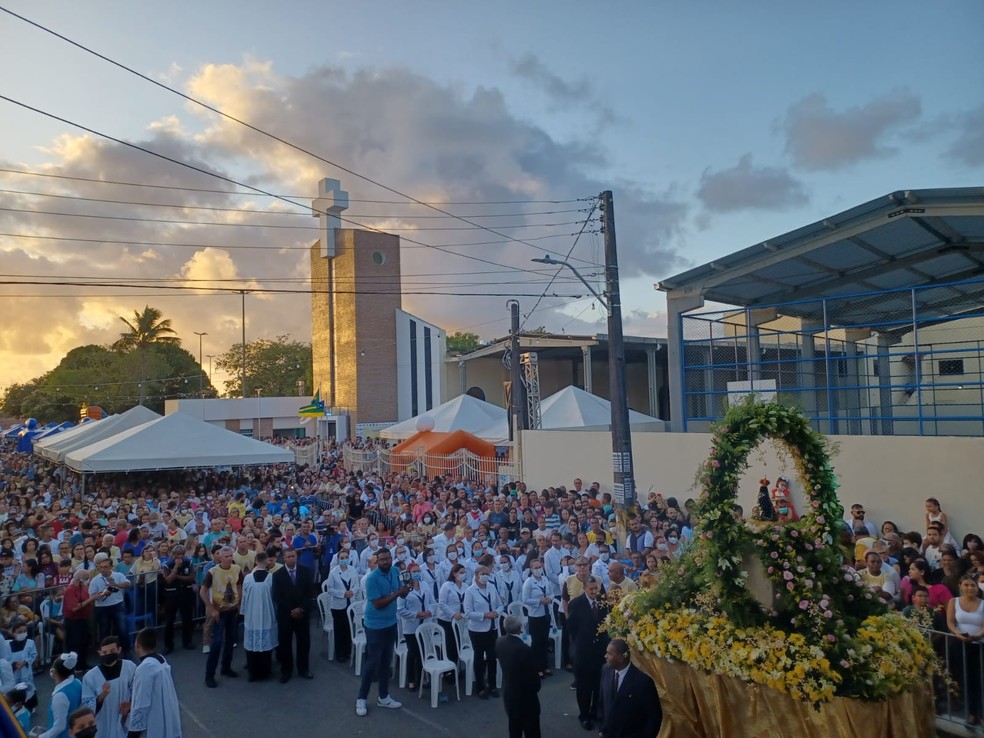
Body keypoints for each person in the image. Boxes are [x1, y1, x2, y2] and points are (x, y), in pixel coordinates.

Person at [355, 546, 408, 717]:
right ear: (377, 561)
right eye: (382, 559)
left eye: (388, 559)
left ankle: (383, 696)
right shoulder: (372, 578)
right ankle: (361, 698)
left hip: (391, 622)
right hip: (375, 625)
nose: (386, 562)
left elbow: (400, 591)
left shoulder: (394, 571)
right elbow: (378, 604)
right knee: (373, 662)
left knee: (386, 661)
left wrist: (405, 590)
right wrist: (398, 593)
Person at [567, 576, 609, 730]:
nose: (594, 592)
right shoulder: (576, 604)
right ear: (584, 588)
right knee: (584, 688)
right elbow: (571, 627)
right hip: (583, 652)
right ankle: (584, 715)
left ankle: (595, 712)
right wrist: (579, 645)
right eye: (591, 589)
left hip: (600, 652)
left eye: (596, 588)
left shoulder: (603, 603)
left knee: (598, 685)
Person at [597, 638, 662, 738]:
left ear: (621, 657)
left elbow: (654, 717)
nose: (605, 656)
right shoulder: (605, 670)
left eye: (609, 654)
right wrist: (601, 729)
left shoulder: (643, 682)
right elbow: (602, 702)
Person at [199, 546, 242, 688]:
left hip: (232, 609)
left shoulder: (236, 569)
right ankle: (209, 675)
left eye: (231, 556)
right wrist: (212, 609)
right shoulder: (213, 572)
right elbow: (203, 591)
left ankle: (226, 667)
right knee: (217, 643)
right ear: (220, 558)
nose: (229, 558)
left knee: (230, 640)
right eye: (226, 556)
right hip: (219, 610)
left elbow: (239, 585)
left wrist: (239, 602)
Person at [126, 628, 182, 738]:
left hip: (155, 723)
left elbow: (141, 703)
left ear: (137, 645)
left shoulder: (145, 668)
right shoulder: (161, 659)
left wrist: (132, 734)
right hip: (167, 716)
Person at [946, 575, 984, 729]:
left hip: (979, 645)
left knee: (980, 680)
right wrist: (957, 633)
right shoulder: (953, 601)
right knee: (966, 679)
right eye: (966, 585)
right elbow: (950, 622)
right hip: (960, 645)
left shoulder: (982, 604)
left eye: (973, 585)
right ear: (960, 586)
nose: (970, 588)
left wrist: (979, 635)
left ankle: (981, 713)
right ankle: (971, 713)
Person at [271, 548, 313, 683]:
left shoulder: (305, 571)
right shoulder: (277, 575)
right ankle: (286, 671)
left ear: (296, 557)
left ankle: (303, 669)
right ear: (283, 558)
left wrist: (301, 609)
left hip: (302, 614)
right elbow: (277, 597)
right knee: (285, 644)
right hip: (286, 615)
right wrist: (292, 610)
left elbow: (309, 593)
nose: (291, 559)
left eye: (293, 556)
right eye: (288, 557)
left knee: (304, 643)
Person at [496, 614, 541, 738]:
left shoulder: (500, 642)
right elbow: (534, 682)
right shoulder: (524, 649)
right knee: (532, 732)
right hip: (526, 701)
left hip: (510, 696)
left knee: (514, 731)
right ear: (519, 628)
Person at [81, 637, 136, 738]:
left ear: (119, 650)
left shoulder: (129, 667)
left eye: (112, 651)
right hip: (103, 724)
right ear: (100, 653)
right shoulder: (90, 677)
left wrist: (130, 704)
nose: (108, 655)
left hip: (124, 718)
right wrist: (103, 695)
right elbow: (87, 707)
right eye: (105, 652)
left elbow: (137, 691)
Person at [465, 564, 503, 699]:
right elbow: (468, 613)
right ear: (476, 575)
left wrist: (496, 613)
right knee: (479, 658)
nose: (485, 576)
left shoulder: (491, 587)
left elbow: (499, 605)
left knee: (492, 658)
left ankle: (492, 685)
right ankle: (480, 687)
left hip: (492, 627)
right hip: (477, 629)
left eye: (487, 574)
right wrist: (484, 615)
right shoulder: (470, 591)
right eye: (482, 574)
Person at [241, 551, 278, 682]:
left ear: (256, 561)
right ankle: (265, 671)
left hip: (251, 615)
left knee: (251, 646)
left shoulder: (248, 578)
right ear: (267, 561)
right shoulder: (271, 578)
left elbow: (244, 598)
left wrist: (243, 612)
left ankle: (253, 672)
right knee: (266, 646)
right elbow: (275, 598)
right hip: (267, 613)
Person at [88, 555, 133, 658]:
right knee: (105, 631)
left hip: (118, 605)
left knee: (123, 628)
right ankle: (106, 654)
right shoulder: (95, 580)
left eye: (105, 567)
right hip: (102, 608)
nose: (103, 569)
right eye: (101, 567)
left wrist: (116, 584)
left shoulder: (118, 575)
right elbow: (92, 596)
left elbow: (128, 584)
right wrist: (104, 594)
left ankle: (126, 651)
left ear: (111, 567)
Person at [158, 546, 195, 654]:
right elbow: (168, 580)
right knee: (169, 621)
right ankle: (168, 645)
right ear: (173, 555)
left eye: (182, 554)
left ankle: (187, 641)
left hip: (186, 593)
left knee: (187, 619)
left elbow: (191, 577)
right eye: (178, 554)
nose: (180, 556)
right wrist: (175, 568)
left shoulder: (189, 562)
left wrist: (177, 576)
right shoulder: (167, 565)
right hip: (171, 595)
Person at [325, 549, 360, 663]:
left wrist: (351, 592)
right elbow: (330, 589)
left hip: (351, 602)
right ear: (338, 559)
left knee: (348, 628)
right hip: (338, 605)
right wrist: (342, 593)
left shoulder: (352, 570)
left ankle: (348, 651)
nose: (344, 560)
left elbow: (356, 584)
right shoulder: (334, 572)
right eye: (342, 558)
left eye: (346, 557)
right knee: (339, 629)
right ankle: (340, 653)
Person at [40, 652, 84, 738]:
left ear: (54, 671)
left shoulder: (60, 696)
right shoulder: (77, 683)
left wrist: (41, 736)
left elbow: (59, 727)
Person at [521, 560, 553, 678]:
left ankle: (545, 666)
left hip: (546, 614)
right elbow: (525, 599)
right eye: (536, 567)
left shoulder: (545, 579)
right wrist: (539, 601)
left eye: (540, 567)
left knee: (545, 641)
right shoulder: (529, 582)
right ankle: (537, 667)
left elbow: (551, 593)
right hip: (535, 615)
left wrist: (550, 599)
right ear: (531, 569)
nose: (539, 569)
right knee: (536, 642)